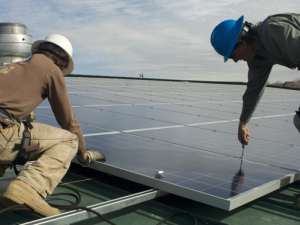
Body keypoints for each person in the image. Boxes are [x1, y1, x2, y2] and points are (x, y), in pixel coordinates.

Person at [0, 34, 106, 217]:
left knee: (21, 127)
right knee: (69, 141)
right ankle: (28, 187)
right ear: (63, 61)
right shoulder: (50, 69)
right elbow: (69, 122)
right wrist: (83, 155)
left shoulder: (12, 67)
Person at [211, 12, 300, 205]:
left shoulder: (272, 32)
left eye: (232, 55)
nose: (234, 61)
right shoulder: (258, 57)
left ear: (241, 42)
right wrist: (243, 122)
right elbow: (254, 89)